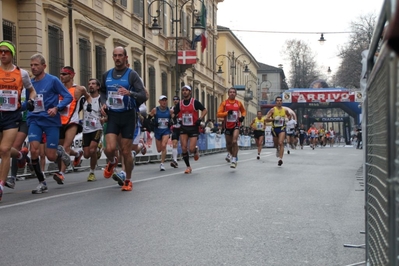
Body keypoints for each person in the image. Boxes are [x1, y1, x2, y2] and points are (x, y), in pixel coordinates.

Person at [100, 46, 147, 191]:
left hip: (128, 115)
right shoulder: (106, 75)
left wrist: (130, 93)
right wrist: (103, 104)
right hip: (113, 115)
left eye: (121, 55)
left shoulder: (132, 75)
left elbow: (143, 95)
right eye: (115, 55)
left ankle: (128, 180)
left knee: (126, 151)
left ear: (126, 58)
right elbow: (102, 91)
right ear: (113, 57)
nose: (118, 58)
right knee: (109, 148)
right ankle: (113, 161)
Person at [27, 53, 72, 194]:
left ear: (44, 66)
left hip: (51, 121)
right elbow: (25, 101)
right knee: (34, 150)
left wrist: (57, 108)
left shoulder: (53, 80)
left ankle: (59, 151)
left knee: (50, 156)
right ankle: (42, 182)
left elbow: (68, 96)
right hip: (34, 119)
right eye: (31, 65)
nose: (33, 68)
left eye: (36, 65)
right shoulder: (30, 84)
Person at [0, 41, 37, 200]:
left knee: (4, 149)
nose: (2, 54)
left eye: (6, 52)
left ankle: (0, 185)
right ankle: (21, 156)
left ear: (12, 54)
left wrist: (31, 101)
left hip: (12, 116)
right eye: (0, 52)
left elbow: (32, 91)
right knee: (2, 149)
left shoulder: (22, 74)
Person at [53, 66, 91, 184]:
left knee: (65, 148)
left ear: (71, 75)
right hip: (59, 121)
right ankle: (77, 153)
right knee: (59, 151)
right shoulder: (58, 88)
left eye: (64, 74)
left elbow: (88, 97)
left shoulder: (79, 89)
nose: (62, 76)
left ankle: (62, 173)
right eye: (61, 74)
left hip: (72, 122)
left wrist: (89, 105)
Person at [172, 85, 207, 174]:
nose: (184, 92)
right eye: (183, 90)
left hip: (193, 127)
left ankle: (195, 150)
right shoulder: (180, 103)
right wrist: (174, 118)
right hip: (183, 127)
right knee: (184, 147)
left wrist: (200, 118)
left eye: (186, 90)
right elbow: (173, 112)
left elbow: (204, 110)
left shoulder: (194, 102)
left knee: (191, 149)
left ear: (190, 92)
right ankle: (188, 167)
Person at [217, 87, 246, 168]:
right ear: (228, 93)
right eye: (230, 92)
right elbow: (218, 114)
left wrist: (242, 117)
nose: (232, 93)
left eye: (234, 92)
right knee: (229, 144)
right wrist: (226, 113)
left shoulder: (239, 103)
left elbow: (243, 111)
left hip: (236, 124)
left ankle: (233, 159)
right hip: (227, 125)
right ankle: (232, 154)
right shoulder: (224, 103)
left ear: (236, 94)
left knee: (234, 141)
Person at [82, 78, 103, 181]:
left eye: (93, 84)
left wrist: (104, 119)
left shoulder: (101, 99)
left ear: (98, 87)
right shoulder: (84, 99)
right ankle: (98, 149)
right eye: (89, 84)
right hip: (86, 129)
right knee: (86, 155)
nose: (91, 85)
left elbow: (106, 115)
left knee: (92, 149)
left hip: (97, 128)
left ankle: (92, 172)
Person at [148, 95, 172, 171]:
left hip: (166, 130)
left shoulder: (170, 111)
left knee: (163, 145)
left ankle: (162, 163)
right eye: (162, 100)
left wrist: (172, 123)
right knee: (159, 149)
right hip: (157, 131)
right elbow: (148, 119)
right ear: (159, 101)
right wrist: (150, 126)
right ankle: (163, 153)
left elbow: (174, 119)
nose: (164, 102)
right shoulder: (155, 110)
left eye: (165, 100)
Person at [265, 96, 291, 166]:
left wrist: (287, 119)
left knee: (281, 142)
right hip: (274, 129)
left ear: (282, 102)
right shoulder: (272, 110)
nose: (279, 102)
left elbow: (289, 116)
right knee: (276, 144)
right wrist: (273, 119)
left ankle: (280, 159)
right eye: (277, 101)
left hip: (282, 128)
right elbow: (266, 119)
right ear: (276, 102)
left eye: (280, 101)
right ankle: (277, 149)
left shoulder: (285, 110)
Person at [170, 96, 181, 168]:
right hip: (175, 128)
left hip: (183, 127)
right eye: (174, 99)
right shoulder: (171, 109)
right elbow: (172, 116)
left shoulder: (182, 107)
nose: (175, 101)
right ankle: (175, 160)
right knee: (174, 143)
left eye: (177, 99)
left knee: (184, 145)